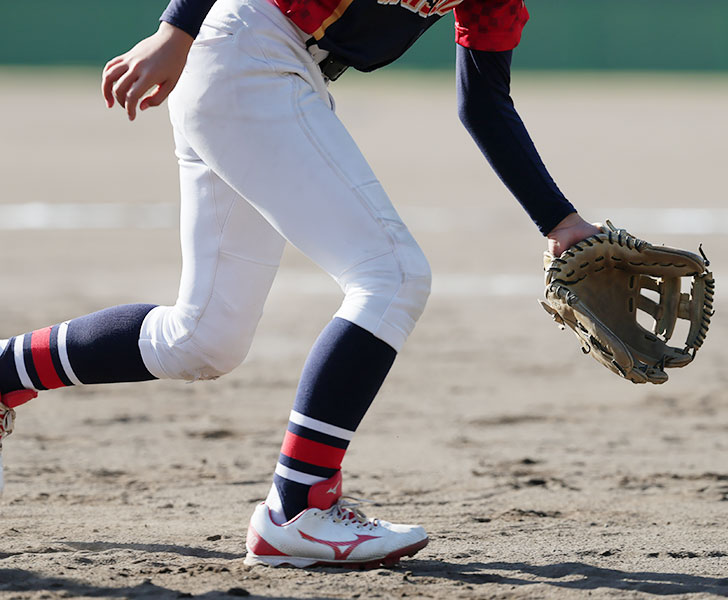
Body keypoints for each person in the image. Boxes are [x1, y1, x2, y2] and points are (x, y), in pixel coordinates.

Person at [0, 0, 598, 569]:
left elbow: (485, 103)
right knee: (392, 275)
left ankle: (3, 371)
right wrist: (174, 30)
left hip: (268, 68)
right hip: (249, 50)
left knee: (202, 338)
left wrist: (560, 221)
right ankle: (299, 507)